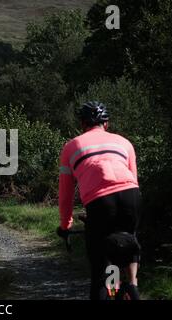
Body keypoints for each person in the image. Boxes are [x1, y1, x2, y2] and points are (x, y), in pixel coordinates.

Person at [57, 101, 141, 300]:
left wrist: (65, 225)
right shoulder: (124, 142)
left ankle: (111, 289)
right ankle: (133, 286)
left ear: (82, 124)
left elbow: (65, 193)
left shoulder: (71, 147)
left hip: (100, 201)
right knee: (129, 237)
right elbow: (134, 180)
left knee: (102, 263)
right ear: (107, 124)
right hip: (131, 195)